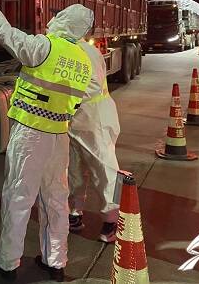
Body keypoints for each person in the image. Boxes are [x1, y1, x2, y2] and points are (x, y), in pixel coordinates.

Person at [0, 0, 94, 283]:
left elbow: (6, 34)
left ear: (64, 20)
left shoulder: (44, 47)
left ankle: (6, 266)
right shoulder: (83, 60)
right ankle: (56, 262)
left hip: (31, 133)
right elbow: (77, 101)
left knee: (18, 196)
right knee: (56, 199)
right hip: (59, 136)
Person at [67, 38, 121, 243]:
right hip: (76, 120)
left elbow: (89, 87)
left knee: (105, 170)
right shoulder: (80, 49)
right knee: (73, 170)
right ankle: (74, 213)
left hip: (94, 119)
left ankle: (112, 220)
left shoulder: (83, 52)